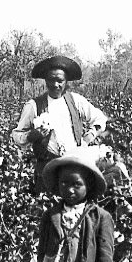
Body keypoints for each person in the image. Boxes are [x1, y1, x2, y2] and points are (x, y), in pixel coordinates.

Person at [11, 56, 108, 194]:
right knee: (45, 207)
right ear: (45, 81)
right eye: (51, 80)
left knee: (73, 206)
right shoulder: (33, 106)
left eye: (60, 81)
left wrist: (89, 136)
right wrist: (32, 135)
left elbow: (99, 119)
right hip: (47, 167)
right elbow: (17, 135)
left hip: (73, 166)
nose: (55, 84)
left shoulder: (76, 101)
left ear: (66, 82)